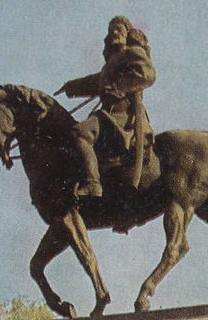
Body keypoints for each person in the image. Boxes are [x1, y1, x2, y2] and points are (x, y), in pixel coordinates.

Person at [56, 16, 156, 200]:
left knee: (80, 133)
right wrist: (71, 86)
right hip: (108, 115)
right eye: (111, 30)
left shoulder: (133, 52)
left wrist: (120, 87)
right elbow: (97, 81)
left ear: (128, 34)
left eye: (118, 29)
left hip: (124, 116)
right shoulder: (113, 63)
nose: (113, 33)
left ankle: (93, 184)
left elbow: (147, 75)